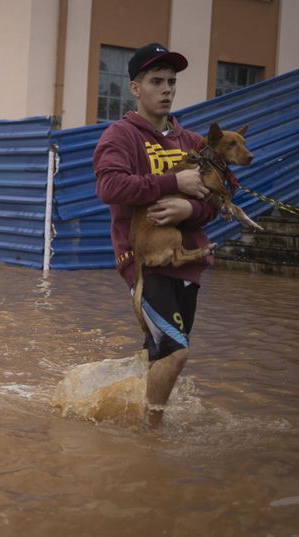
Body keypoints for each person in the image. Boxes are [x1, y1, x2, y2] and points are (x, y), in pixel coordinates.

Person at [93, 43, 218, 427]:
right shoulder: (120, 136)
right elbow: (110, 187)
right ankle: (150, 438)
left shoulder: (193, 142)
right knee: (176, 354)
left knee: (159, 353)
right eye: (156, 81)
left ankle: (113, 408)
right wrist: (173, 182)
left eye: (171, 82)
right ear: (135, 88)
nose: (166, 89)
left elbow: (217, 201)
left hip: (189, 264)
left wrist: (190, 210)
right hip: (144, 263)